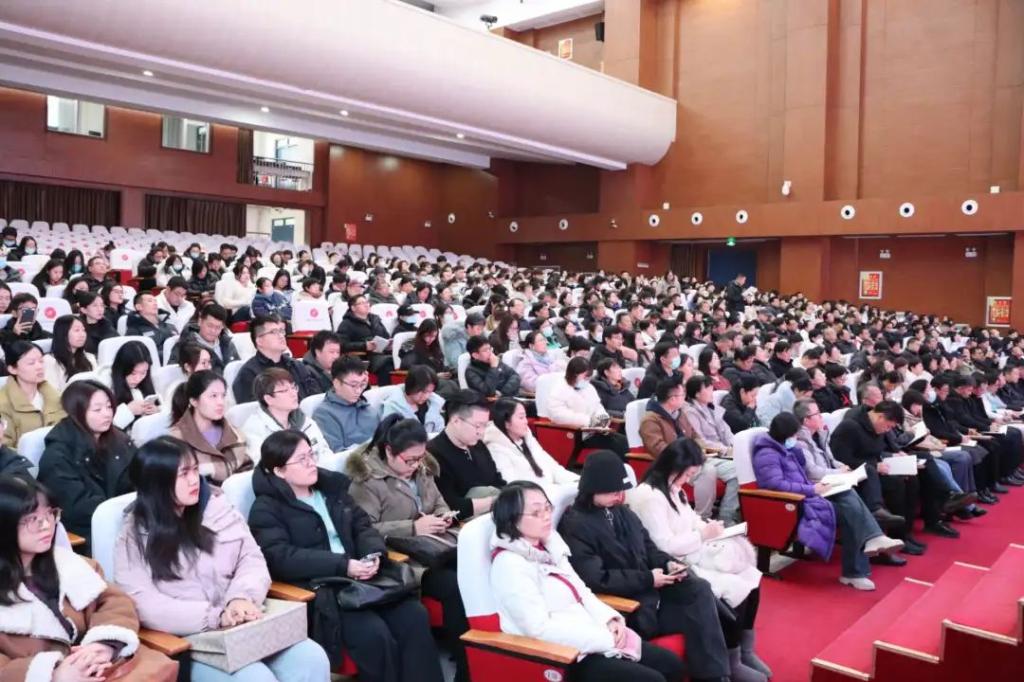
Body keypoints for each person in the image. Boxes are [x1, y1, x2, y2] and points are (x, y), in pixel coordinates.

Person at [114, 435, 330, 682]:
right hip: (192, 640)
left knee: (312, 657)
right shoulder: (134, 535)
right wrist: (215, 616)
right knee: (254, 678)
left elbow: (251, 558)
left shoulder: (217, 507)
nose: (194, 480)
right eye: (183, 474)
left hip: (243, 621)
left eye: (195, 469)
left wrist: (240, 598)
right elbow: (143, 603)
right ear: (158, 482)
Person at [248, 429, 443, 682]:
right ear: (279, 471)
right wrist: (343, 565)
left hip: (364, 579)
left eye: (311, 455)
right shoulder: (266, 509)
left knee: (414, 616)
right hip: (325, 591)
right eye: (301, 460)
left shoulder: (331, 490)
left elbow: (363, 527)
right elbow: (281, 558)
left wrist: (372, 554)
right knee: (374, 634)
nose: (311, 463)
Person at [559, 451, 732, 682]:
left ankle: (719, 674)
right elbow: (596, 579)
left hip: (651, 595)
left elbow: (649, 548)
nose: (619, 496)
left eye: (621, 491)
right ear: (592, 489)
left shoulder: (623, 512)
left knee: (698, 589)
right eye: (613, 491)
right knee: (700, 611)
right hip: (630, 607)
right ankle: (722, 667)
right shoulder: (576, 525)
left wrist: (667, 563)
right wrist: (648, 578)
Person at [489, 481, 685, 682]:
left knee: (671, 664)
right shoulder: (510, 565)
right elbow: (538, 629)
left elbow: (581, 591)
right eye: (536, 512)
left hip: (591, 632)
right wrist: (604, 639)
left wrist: (610, 619)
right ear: (512, 520)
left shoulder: (550, 546)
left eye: (547, 508)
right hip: (566, 654)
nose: (546, 516)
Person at [0, 476, 177, 682]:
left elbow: (114, 602)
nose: (47, 525)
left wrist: (103, 643)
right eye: (33, 519)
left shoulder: (72, 564)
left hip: (100, 668)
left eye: (50, 513)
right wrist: (53, 674)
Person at [627, 439, 769, 679]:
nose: (688, 480)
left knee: (751, 576)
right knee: (735, 585)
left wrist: (711, 528)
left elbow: (692, 520)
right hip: (676, 562)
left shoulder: (675, 488)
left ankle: (744, 651)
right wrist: (702, 535)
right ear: (673, 466)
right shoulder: (649, 496)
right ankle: (731, 658)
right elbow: (662, 545)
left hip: (694, 551)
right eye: (687, 474)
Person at [346, 416, 469, 682]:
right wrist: (412, 527)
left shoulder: (422, 467)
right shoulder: (367, 480)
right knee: (453, 585)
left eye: (420, 458)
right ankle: (464, 666)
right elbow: (364, 528)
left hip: (436, 546)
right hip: (403, 558)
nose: (415, 466)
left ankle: (480, 654)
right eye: (409, 460)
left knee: (473, 570)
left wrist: (444, 516)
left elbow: (439, 502)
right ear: (389, 451)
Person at [753, 413, 904, 590]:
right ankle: (856, 568)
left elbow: (800, 474)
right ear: (784, 435)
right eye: (794, 435)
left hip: (807, 494)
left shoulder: (785, 449)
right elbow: (775, 485)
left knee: (847, 492)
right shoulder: (767, 454)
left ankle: (874, 539)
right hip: (794, 503)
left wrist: (817, 483)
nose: (796, 438)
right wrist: (812, 489)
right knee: (850, 513)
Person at [37, 380, 135, 544]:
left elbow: (138, 477)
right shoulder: (57, 456)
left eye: (109, 407)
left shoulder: (119, 439)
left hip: (125, 520)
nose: (107, 414)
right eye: (97, 409)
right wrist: (122, 514)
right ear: (77, 412)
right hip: (88, 530)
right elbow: (77, 508)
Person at [427, 390, 505, 521]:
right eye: (478, 426)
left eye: (485, 426)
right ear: (456, 421)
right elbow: (449, 506)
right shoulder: (433, 454)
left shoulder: (478, 445)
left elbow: (497, 481)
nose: (481, 433)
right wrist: (496, 501)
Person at [168, 370, 250, 484]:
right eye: (213, 396)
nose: (221, 402)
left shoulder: (234, 433)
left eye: (223, 396)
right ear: (194, 401)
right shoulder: (177, 440)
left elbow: (248, 468)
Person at [680, 375, 741, 524]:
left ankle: (734, 511)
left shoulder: (712, 409)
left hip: (723, 452)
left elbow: (727, 433)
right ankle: (726, 515)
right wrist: (726, 451)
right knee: (739, 470)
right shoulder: (690, 412)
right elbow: (701, 443)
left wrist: (737, 447)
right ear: (696, 394)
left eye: (711, 387)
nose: (711, 391)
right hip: (707, 454)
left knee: (746, 464)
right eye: (707, 388)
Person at [243, 368, 333, 465]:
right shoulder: (254, 429)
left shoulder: (305, 421)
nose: (294, 393)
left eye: (293, 387)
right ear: (268, 399)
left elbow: (325, 452)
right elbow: (264, 467)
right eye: (285, 390)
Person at [483, 397, 580, 488]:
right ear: (506, 423)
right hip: (532, 496)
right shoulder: (496, 449)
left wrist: (577, 481)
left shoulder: (528, 438)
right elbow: (512, 486)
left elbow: (553, 467)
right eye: (521, 418)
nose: (526, 422)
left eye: (526, 417)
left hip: (551, 490)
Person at [548, 356, 629, 460]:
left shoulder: (588, 387)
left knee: (624, 441)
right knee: (617, 446)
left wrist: (602, 419)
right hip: (577, 434)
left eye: (589, 377)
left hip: (595, 430)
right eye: (585, 377)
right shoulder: (559, 390)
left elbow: (598, 407)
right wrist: (589, 421)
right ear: (574, 374)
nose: (587, 380)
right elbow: (558, 415)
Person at [232, 314, 321, 404]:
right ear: (259, 341)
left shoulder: (296, 365)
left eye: (281, 331)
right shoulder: (249, 373)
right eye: (274, 332)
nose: (281, 336)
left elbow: (315, 398)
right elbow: (254, 408)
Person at [0, 341, 65, 448]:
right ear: (12, 369)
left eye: (41, 361)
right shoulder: (3, 404)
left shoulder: (54, 396)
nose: (39, 367)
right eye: (31, 363)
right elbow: (4, 447)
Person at [313, 356, 381, 451]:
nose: (358, 391)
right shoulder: (324, 414)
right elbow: (336, 453)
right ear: (336, 383)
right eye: (353, 385)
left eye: (362, 385)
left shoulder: (366, 408)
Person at [335, 294, 395, 385]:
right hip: (364, 357)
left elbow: (386, 336)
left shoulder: (375, 319)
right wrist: (364, 346)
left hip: (383, 353)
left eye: (367, 302)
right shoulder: (346, 324)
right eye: (362, 303)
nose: (366, 305)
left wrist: (388, 344)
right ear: (353, 308)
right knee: (387, 365)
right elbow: (341, 345)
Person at [170, 302, 241, 372]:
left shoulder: (227, 344)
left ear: (223, 327)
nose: (213, 331)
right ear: (200, 321)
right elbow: (173, 373)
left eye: (218, 327)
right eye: (210, 326)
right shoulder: (184, 345)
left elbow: (237, 370)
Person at [107, 340, 161, 431]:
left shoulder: (147, 383)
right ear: (122, 369)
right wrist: (129, 411)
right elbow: (102, 425)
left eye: (143, 373)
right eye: (133, 373)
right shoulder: (105, 386)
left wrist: (157, 411)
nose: (138, 379)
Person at [380, 366, 446, 433]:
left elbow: (440, 429)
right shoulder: (393, 407)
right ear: (411, 386)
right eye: (424, 392)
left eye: (430, 392)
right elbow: (391, 435)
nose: (427, 396)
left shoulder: (433, 404)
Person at [43, 314, 98, 390]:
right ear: (63, 333)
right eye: (77, 330)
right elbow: (52, 392)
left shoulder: (90, 358)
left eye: (83, 330)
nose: (82, 335)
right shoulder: (50, 361)